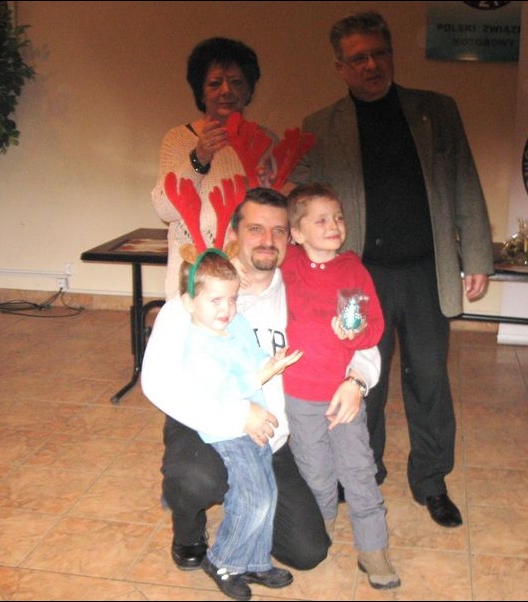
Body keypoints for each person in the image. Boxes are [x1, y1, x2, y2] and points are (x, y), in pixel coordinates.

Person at [291, 11, 494, 529]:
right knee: (364, 381)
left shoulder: (436, 111)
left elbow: (464, 180)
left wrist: (476, 256)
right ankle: (363, 470)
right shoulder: (319, 126)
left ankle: (431, 481)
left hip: (427, 271)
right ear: (340, 66)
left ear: (391, 54)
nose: (371, 65)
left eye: (379, 53)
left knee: (429, 378)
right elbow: (299, 196)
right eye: (358, 57)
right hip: (360, 278)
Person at [141, 188, 381, 574]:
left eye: (278, 231)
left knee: (307, 550)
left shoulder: (301, 285)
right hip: (206, 425)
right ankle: (188, 526)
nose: (268, 240)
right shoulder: (204, 289)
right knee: (196, 478)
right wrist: (237, 415)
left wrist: (358, 379)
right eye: (256, 228)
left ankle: (248, 510)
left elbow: (359, 336)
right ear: (234, 233)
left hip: (271, 438)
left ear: (292, 237)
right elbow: (157, 381)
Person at [281, 184, 399, 590]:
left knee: (359, 471)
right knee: (315, 473)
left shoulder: (352, 270)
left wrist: (355, 333)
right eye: (321, 220)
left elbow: (372, 326)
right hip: (298, 396)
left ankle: (373, 548)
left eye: (338, 217)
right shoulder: (286, 263)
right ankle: (321, 530)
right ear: (297, 232)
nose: (333, 225)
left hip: (343, 396)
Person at [171, 246, 300, 600]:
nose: (226, 309)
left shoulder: (237, 324)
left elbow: (252, 354)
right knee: (252, 497)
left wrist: (268, 361)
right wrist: (261, 376)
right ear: (189, 303)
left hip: (252, 423)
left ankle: (254, 560)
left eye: (231, 299)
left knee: (268, 493)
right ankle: (223, 560)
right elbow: (221, 390)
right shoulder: (196, 344)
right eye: (215, 300)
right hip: (227, 430)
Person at [152, 37, 276, 301]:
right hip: (194, 274)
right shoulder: (178, 139)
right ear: (200, 91)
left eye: (237, 82)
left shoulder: (265, 141)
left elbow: (277, 214)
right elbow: (165, 209)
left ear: (249, 90)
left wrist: (270, 187)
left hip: (250, 275)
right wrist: (199, 157)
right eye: (215, 83)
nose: (226, 91)